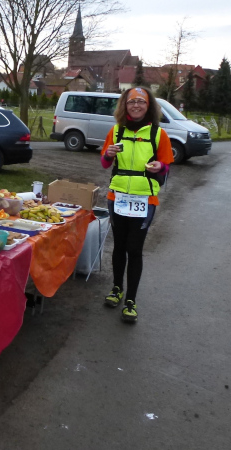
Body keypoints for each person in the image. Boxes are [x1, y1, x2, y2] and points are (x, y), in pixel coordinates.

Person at [100, 87, 174, 323]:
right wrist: (109, 154)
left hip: (145, 199)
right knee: (119, 246)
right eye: (132, 101)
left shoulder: (158, 134)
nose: (136, 105)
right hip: (118, 198)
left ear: (148, 106)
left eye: (141, 101)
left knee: (134, 249)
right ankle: (116, 289)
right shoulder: (116, 131)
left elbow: (166, 165)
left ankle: (130, 300)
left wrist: (159, 167)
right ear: (125, 105)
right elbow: (104, 163)